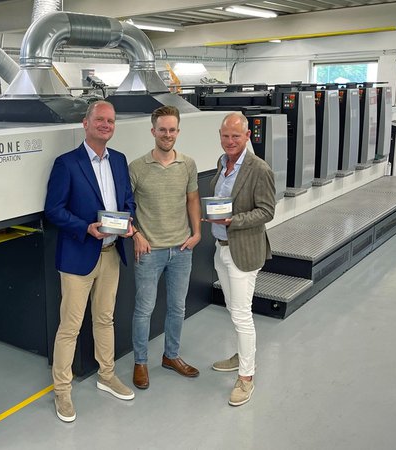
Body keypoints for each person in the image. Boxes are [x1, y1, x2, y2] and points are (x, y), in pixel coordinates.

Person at [44, 100, 136, 423]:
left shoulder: (119, 160)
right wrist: (85, 227)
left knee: (105, 319)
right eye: (100, 119)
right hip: (77, 257)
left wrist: (129, 223)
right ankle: (62, 390)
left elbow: (128, 201)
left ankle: (106, 375)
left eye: (111, 120)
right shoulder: (67, 164)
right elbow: (53, 210)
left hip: (111, 254)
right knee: (70, 327)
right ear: (86, 123)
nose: (106, 125)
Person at [204, 111, 276, 407]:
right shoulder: (222, 163)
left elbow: (267, 211)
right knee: (233, 309)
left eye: (236, 136)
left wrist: (234, 220)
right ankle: (242, 355)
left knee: (242, 314)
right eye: (225, 136)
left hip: (243, 250)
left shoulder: (259, 169)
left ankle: (246, 377)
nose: (230, 141)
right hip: (221, 247)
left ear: (247, 136)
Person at [128, 105, 201, 390]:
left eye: (172, 130)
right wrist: (136, 234)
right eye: (162, 130)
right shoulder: (137, 167)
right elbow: (125, 206)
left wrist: (197, 233)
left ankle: (171, 356)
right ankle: (140, 362)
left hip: (181, 249)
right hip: (150, 252)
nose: (167, 134)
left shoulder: (188, 164)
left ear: (178, 131)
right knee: (144, 309)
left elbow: (192, 200)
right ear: (153, 131)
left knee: (177, 307)